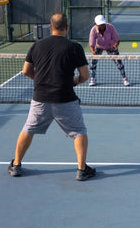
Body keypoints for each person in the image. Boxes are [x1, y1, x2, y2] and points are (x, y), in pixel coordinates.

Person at [8, 13, 96, 181]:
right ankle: (81, 170)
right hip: (65, 98)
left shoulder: (37, 45)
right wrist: (75, 82)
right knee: (79, 132)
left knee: (28, 129)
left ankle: (16, 165)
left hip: (40, 98)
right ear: (67, 27)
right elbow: (85, 75)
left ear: (50, 27)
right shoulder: (74, 47)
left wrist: (41, 81)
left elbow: (26, 71)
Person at [88, 14, 130, 86]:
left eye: (103, 24)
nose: (102, 26)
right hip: (99, 46)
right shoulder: (93, 30)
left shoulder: (110, 27)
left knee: (119, 63)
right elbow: (91, 45)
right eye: (100, 24)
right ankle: (93, 79)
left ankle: (125, 78)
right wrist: (94, 53)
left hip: (110, 46)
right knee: (93, 63)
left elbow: (117, 40)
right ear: (96, 24)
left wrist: (115, 46)